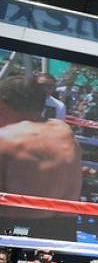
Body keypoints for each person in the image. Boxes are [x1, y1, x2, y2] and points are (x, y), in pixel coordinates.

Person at [0, 76, 81, 242]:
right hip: (64, 232)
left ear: (4, 104)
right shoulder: (65, 132)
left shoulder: (6, 138)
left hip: (21, 231)